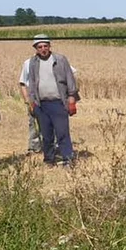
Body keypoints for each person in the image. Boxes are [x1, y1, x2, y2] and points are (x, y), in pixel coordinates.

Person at [22, 35, 80, 166]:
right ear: (35, 48)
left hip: (58, 102)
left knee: (62, 132)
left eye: (45, 46)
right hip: (41, 104)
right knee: (46, 135)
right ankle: (49, 159)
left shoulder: (60, 60)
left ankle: (67, 159)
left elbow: (70, 80)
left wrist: (71, 99)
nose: (43, 49)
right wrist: (32, 102)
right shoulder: (32, 63)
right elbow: (30, 83)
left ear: (49, 46)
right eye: (40, 47)